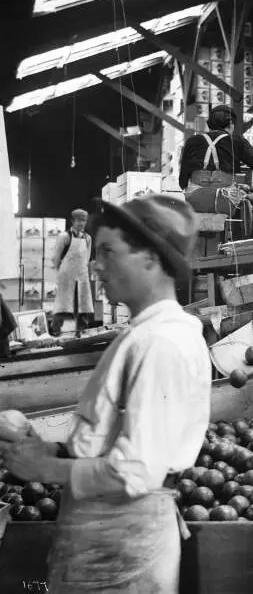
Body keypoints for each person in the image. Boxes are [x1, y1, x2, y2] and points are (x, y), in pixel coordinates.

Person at [0, 195, 211, 592]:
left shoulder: (163, 343)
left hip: (123, 547)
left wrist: (44, 470)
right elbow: (112, 442)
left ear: (150, 258)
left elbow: (136, 470)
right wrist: (50, 450)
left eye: (109, 252)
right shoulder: (142, 334)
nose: (96, 266)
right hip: (107, 540)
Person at [179, 104, 253, 209]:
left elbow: (183, 178)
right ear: (231, 123)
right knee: (239, 203)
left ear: (210, 124)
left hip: (195, 200)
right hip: (224, 202)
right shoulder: (237, 141)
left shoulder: (192, 141)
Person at [51, 208, 94, 336]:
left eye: (84, 221)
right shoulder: (64, 237)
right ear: (72, 221)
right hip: (66, 274)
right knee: (62, 303)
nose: (81, 223)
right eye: (79, 220)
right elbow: (56, 258)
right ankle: (56, 330)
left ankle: (81, 331)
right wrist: (62, 271)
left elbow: (87, 256)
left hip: (81, 274)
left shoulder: (88, 238)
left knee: (83, 303)